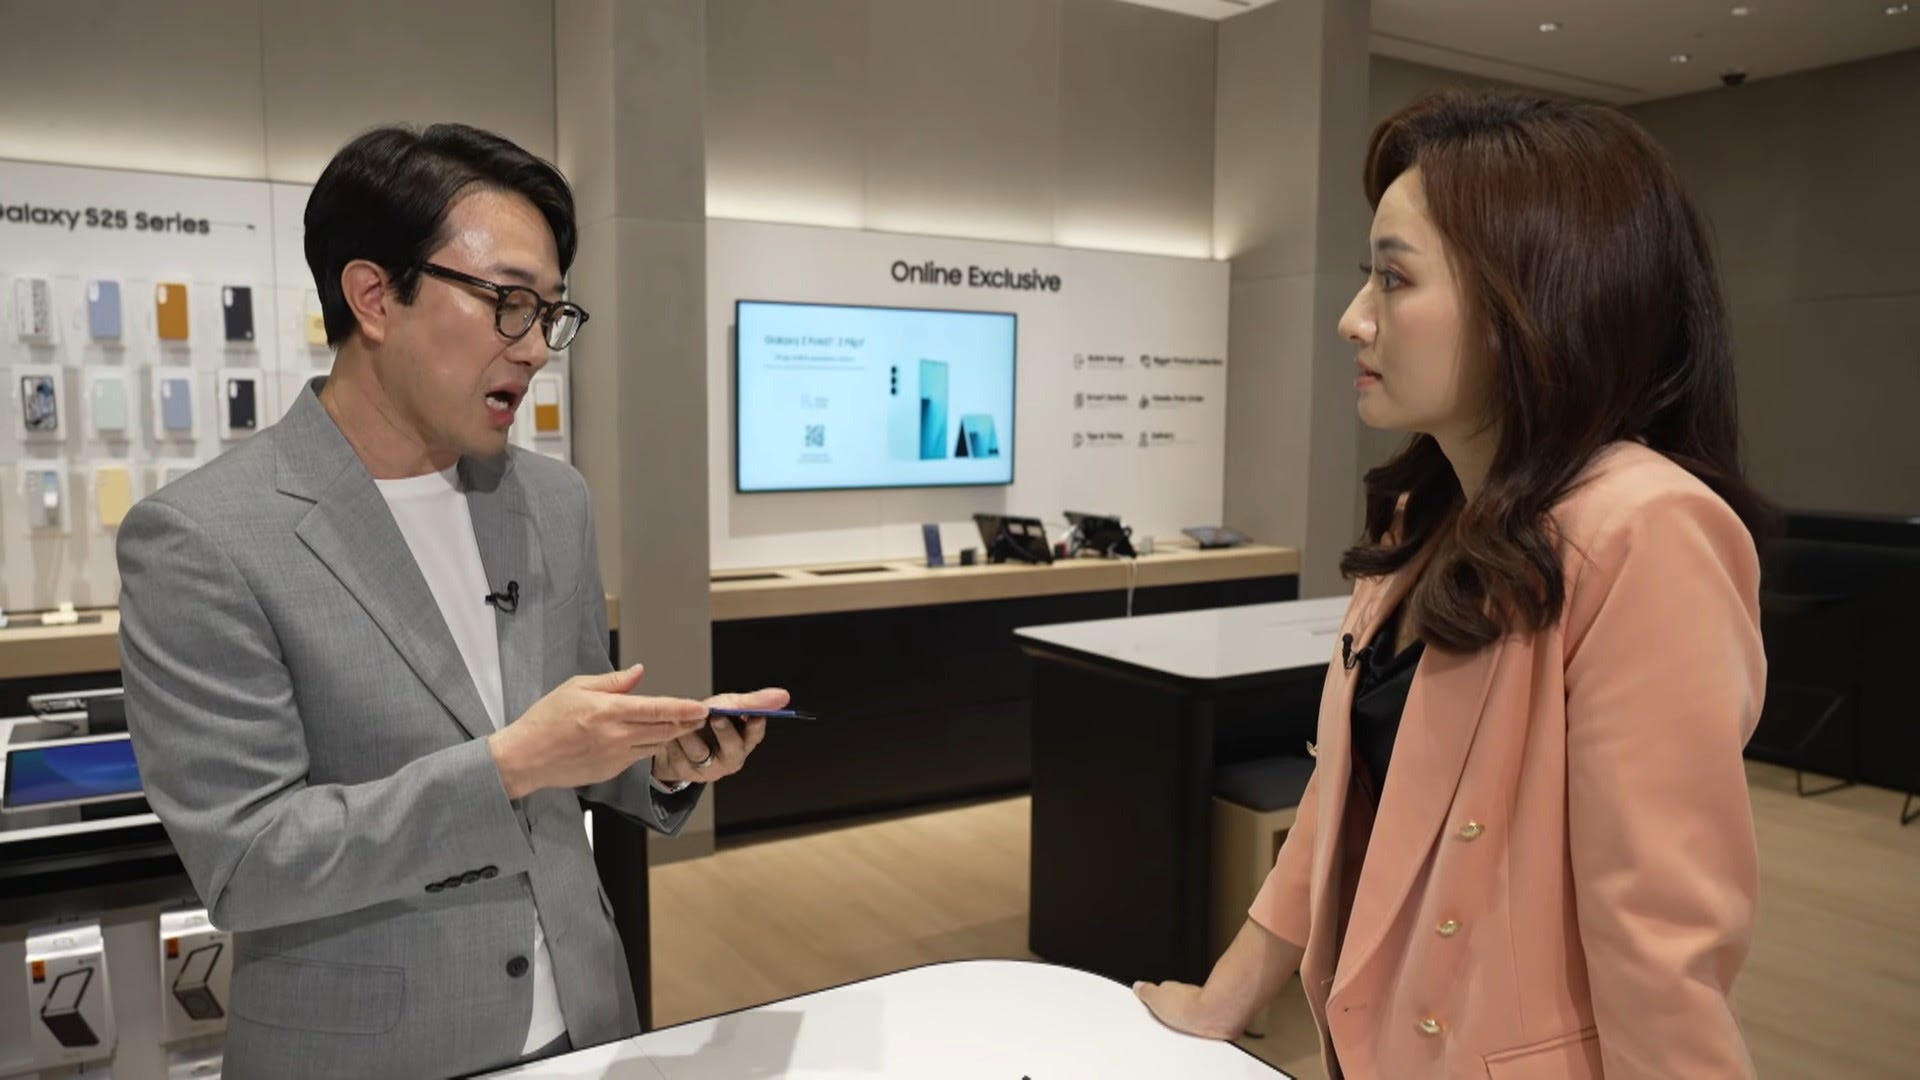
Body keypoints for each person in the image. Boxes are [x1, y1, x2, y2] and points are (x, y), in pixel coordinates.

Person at [117, 123, 784, 1079]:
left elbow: (572, 745)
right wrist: (512, 764)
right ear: (374, 296)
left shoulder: (552, 499)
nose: (536, 347)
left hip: (586, 1023)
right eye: (508, 303)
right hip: (369, 1051)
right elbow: (250, 861)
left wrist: (662, 761)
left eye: (551, 313)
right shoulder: (202, 536)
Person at [1134, 90, 1771, 1078]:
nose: (1353, 319)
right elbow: (1348, 796)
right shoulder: (1427, 516)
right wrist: (1229, 995)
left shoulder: (1645, 530)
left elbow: (1660, 938)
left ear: (1536, 299)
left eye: (1394, 279)